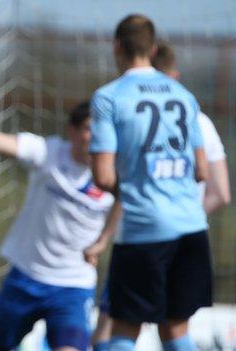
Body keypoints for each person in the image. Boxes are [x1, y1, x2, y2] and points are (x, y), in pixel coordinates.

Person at [86, 41, 231, 351]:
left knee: (119, 325)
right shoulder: (196, 113)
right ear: (172, 75)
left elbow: (107, 177)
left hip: (143, 228)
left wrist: (105, 236)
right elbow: (215, 186)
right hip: (189, 230)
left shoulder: (117, 100)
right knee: (176, 328)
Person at [0, 102, 117, 351]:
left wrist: (103, 240)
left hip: (73, 286)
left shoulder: (114, 173)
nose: (94, 137)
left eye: (102, 131)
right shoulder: (48, 152)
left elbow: (125, 201)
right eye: (88, 129)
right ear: (72, 131)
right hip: (26, 277)